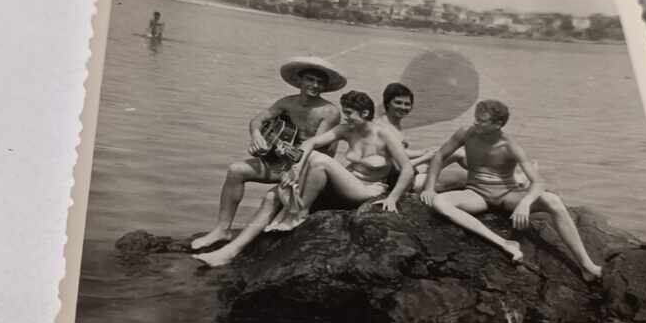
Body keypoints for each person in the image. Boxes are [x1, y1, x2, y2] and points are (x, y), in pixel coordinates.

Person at [194, 90, 413, 267]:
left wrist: (392, 198)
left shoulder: (384, 135)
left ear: (365, 114)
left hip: (366, 190)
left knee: (320, 161)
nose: (346, 118)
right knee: (274, 195)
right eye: (345, 113)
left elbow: (407, 169)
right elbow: (310, 143)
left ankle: (297, 214)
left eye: (350, 114)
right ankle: (228, 251)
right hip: (344, 184)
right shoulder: (346, 130)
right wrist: (295, 171)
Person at [419, 99, 603, 281]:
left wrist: (524, 203)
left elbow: (538, 182)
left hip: (506, 195)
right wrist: (429, 188)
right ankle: (504, 243)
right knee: (439, 202)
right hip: (476, 193)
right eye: (475, 118)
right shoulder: (466, 133)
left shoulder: (509, 146)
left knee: (553, 200)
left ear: (498, 124)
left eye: (481, 121)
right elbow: (440, 155)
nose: (475, 123)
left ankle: (587, 265)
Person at [190, 57, 346, 251]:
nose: (314, 85)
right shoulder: (286, 103)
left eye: (319, 82)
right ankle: (222, 229)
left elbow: (316, 148)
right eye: (310, 79)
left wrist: (279, 150)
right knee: (235, 170)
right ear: (300, 81)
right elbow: (258, 119)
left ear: (325, 86)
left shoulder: (329, 111)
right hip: (282, 162)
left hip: (308, 168)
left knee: (271, 197)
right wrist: (257, 136)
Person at [375, 82, 467, 192]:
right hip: (397, 181)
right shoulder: (383, 128)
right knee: (462, 178)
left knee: (458, 152)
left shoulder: (392, 122)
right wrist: (426, 157)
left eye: (407, 104)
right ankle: (483, 184)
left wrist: (423, 151)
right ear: (387, 103)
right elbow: (396, 167)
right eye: (398, 103)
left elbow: (400, 151)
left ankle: (487, 176)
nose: (403, 107)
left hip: (408, 170)